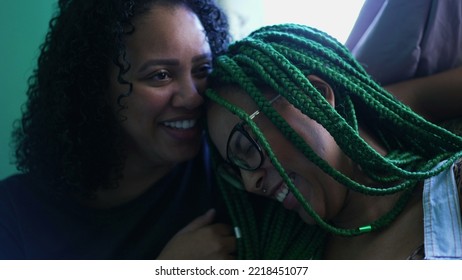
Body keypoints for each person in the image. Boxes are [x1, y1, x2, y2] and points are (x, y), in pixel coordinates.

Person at [0, 0, 236, 260]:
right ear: (96, 86)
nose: (192, 98)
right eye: (160, 75)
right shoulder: (14, 215)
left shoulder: (235, 176)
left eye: (202, 70)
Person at [206, 23, 462, 259]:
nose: (250, 183)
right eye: (235, 170)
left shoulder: (451, 194)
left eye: (247, 148)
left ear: (313, 96)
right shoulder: (285, 255)